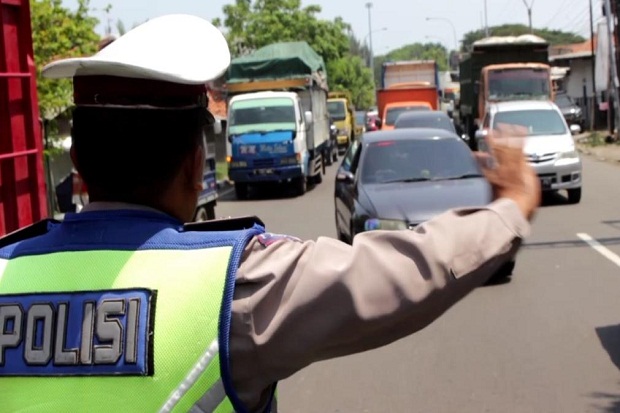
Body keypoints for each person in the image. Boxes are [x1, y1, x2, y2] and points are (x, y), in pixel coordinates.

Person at [0, 14, 540, 413]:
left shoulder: (7, 273)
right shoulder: (233, 287)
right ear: (196, 164)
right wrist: (511, 208)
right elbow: (410, 270)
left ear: (77, 165)